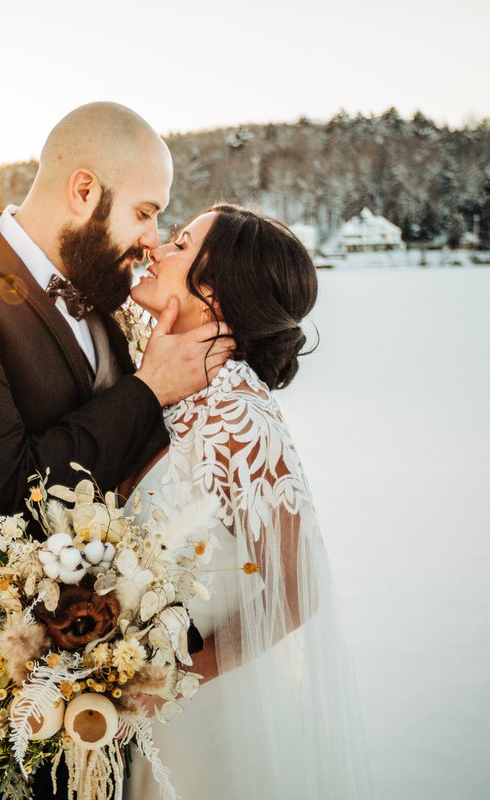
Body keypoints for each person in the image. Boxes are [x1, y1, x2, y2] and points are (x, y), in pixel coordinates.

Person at [0, 102, 230, 800]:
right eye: (145, 212)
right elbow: (10, 491)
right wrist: (149, 387)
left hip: (91, 696)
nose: (152, 241)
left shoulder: (103, 310)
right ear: (85, 191)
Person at [124, 205, 373, 799]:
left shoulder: (233, 406)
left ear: (212, 290)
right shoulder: (163, 378)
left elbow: (299, 584)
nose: (157, 248)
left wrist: (175, 678)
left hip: (208, 718)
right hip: (140, 721)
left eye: (180, 243)